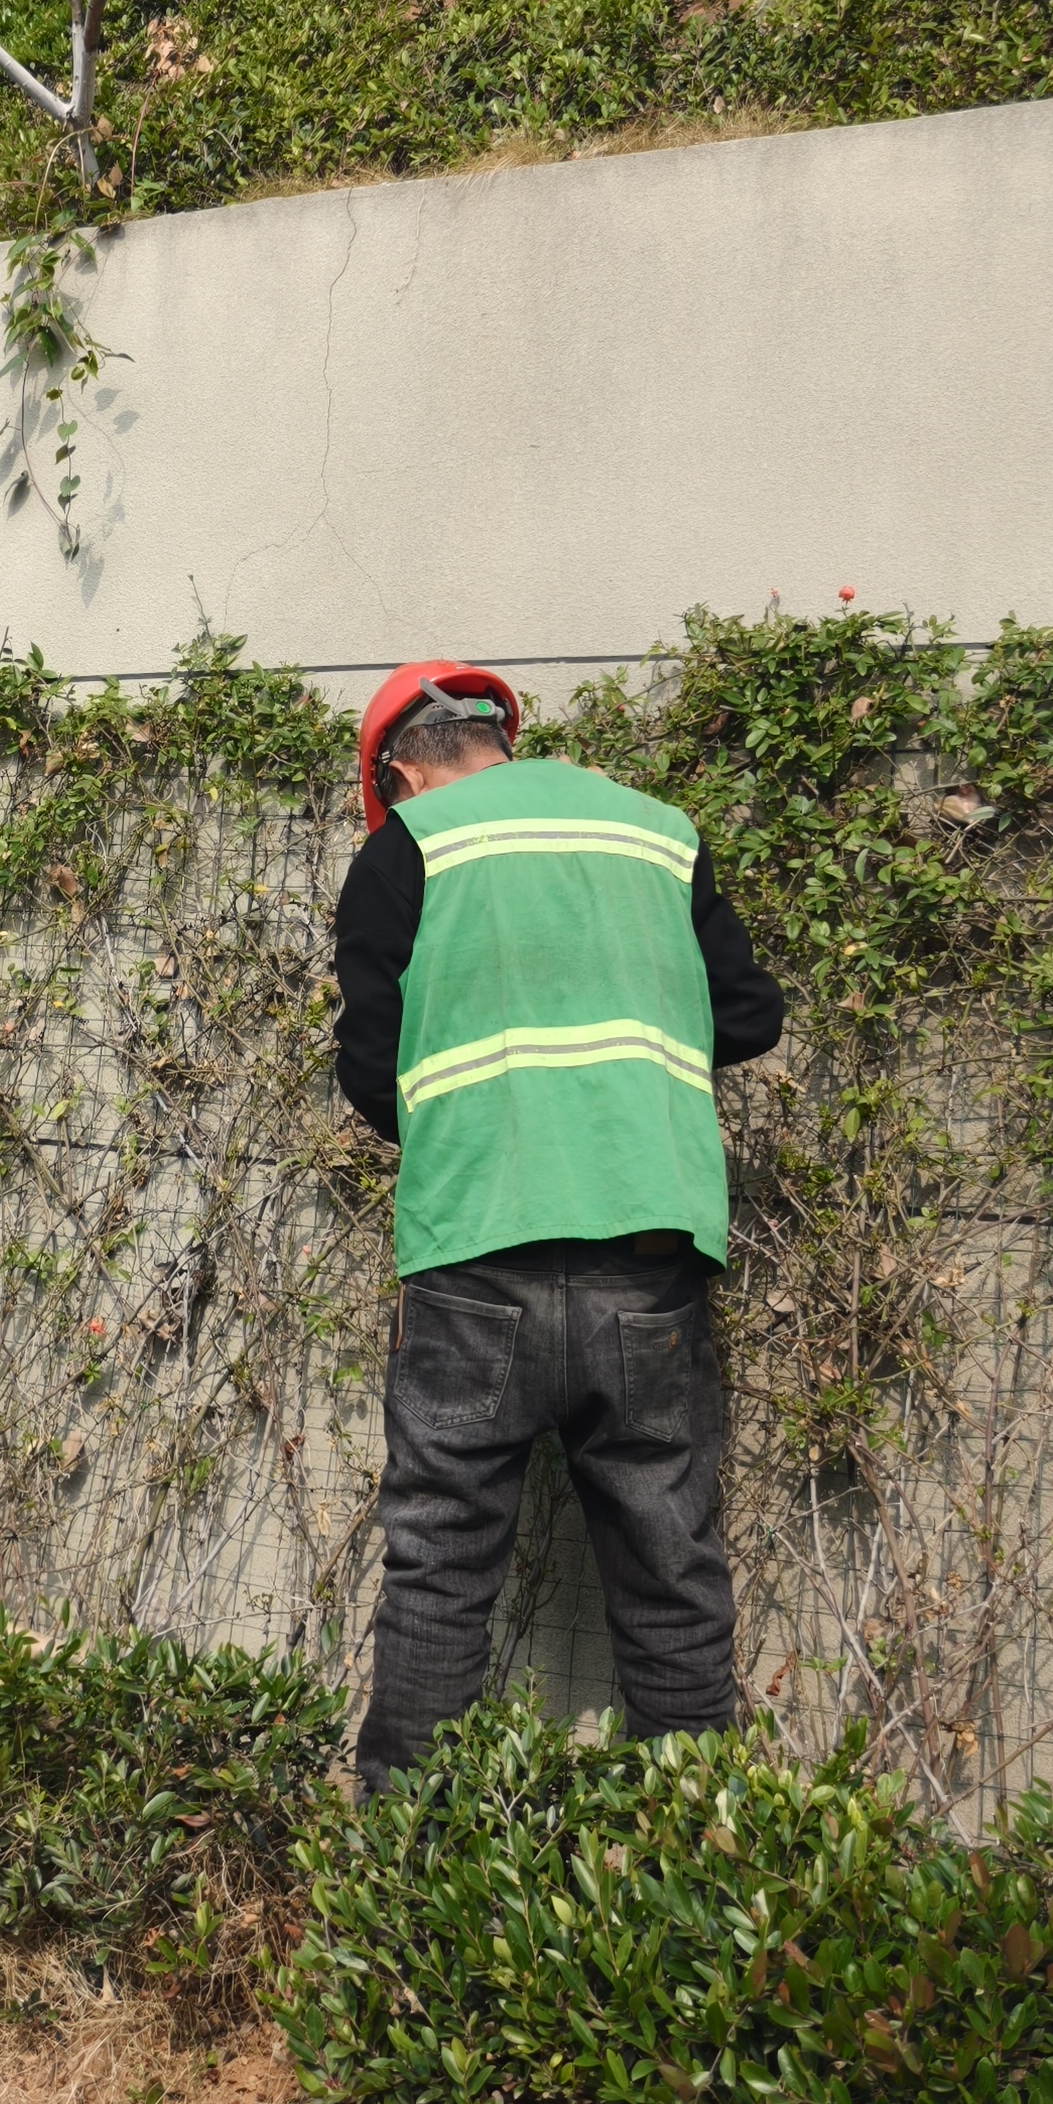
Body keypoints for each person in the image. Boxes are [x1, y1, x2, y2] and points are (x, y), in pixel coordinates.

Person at [329, 661, 785, 1790]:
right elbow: (746, 1014)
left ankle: (400, 1876)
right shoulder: (656, 836)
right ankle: (693, 1867)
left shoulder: (411, 849)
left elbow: (368, 1071)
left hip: (477, 1242)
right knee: (671, 1577)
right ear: (497, 738)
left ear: (400, 770)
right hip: (650, 1247)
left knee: (440, 1572)